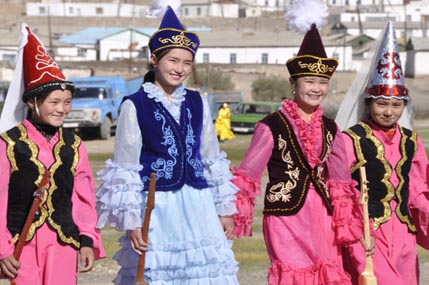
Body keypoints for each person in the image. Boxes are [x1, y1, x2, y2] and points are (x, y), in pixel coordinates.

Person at [96, 6, 239, 285]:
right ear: (154, 59)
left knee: (202, 271)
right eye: (173, 60)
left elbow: (211, 158)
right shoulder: (134, 105)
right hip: (157, 205)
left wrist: (224, 210)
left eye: (187, 63)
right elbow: (125, 165)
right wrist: (132, 221)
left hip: (198, 204)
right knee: (160, 272)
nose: (180, 69)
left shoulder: (197, 102)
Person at [231, 1, 365, 284]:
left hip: (324, 217)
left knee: (327, 272)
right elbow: (249, 175)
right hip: (286, 215)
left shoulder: (332, 128)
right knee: (294, 273)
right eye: (309, 81)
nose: (316, 88)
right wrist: (235, 213)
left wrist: (347, 223)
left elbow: (340, 181)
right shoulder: (271, 126)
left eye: (322, 82)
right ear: (294, 84)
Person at [0, 24, 105, 285]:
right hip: (20, 243)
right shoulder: (9, 144)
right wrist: (2, 249)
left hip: (63, 241)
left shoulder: (74, 144)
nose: (62, 109)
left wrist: (87, 240)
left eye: (67, 102)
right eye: (54, 102)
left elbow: (84, 198)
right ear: (33, 102)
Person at [338, 21, 429, 285]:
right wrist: (355, 225)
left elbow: (419, 189)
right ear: (369, 103)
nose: (389, 112)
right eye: (381, 104)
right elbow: (342, 188)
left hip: (403, 232)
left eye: (396, 105)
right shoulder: (351, 139)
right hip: (367, 232)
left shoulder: (411, 141)